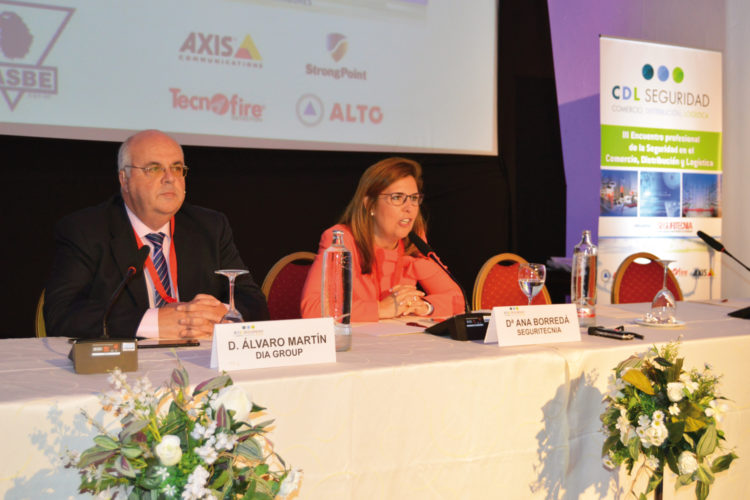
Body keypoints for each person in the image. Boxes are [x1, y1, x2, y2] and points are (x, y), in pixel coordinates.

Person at [44, 129, 268, 339]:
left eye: (177, 168)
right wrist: (156, 322)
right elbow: (62, 313)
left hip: (198, 359)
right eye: (154, 169)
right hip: (125, 367)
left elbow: (254, 302)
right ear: (125, 180)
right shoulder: (86, 230)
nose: (169, 178)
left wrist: (223, 314)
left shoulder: (210, 226)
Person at [301, 157, 464, 322]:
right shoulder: (340, 240)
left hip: (400, 343)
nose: (409, 208)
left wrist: (425, 306)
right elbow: (313, 309)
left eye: (414, 198)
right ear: (370, 204)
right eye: (397, 198)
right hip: (355, 344)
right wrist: (381, 309)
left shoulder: (414, 241)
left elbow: (457, 299)